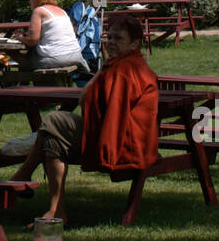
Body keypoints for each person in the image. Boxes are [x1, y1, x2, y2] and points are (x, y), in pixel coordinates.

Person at [11, 14, 158, 223]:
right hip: (112, 133)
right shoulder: (119, 64)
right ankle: (56, 211)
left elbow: (105, 108)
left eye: (119, 39)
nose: (111, 43)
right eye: (110, 37)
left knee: (54, 120)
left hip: (123, 143)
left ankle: (22, 176)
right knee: (52, 140)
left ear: (135, 43)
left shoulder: (126, 70)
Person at [13, 0, 87, 73]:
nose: (30, 1)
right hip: (76, 55)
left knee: (17, 56)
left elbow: (32, 40)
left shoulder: (39, 11)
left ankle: (15, 85)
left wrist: (19, 37)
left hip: (57, 58)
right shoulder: (61, 11)